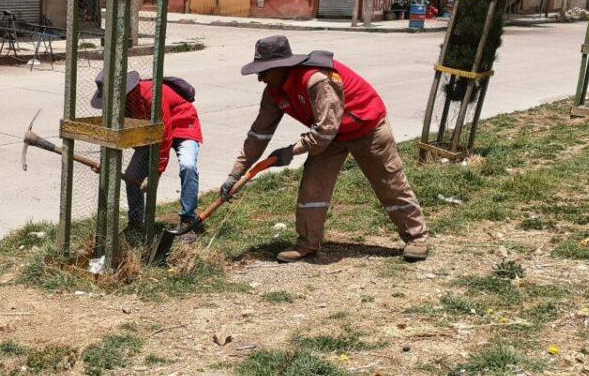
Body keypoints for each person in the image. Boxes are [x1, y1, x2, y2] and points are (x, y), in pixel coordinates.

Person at [221, 35, 428, 263]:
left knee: (389, 182)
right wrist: (235, 173)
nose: (260, 77)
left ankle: (416, 238)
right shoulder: (273, 91)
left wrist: (291, 151)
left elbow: (325, 129)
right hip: (330, 136)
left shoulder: (316, 80)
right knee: (312, 186)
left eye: (264, 70)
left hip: (366, 127)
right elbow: (258, 135)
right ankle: (308, 243)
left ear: (282, 67)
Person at [91, 70, 203, 241]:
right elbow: (118, 136)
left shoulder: (150, 94)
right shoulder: (123, 104)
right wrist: (105, 163)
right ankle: (136, 224)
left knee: (188, 166)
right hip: (153, 134)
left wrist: (155, 174)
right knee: (132, 177)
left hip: (182, 123)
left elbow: (164, 133)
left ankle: (188, 221)